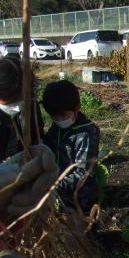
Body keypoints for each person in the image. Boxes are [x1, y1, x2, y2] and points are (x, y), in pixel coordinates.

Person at [42, 80, 100, 215]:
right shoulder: (56, 128)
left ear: (77, 107)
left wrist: (54, 187)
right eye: (54, 116)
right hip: (61, 195)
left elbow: (84, 173)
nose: (59, 120)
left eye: (63, 115)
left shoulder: (86, 133)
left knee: (80, 229)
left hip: (81, 198)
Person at [0, 56, 44, 167]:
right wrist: (6, 166)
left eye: (23, 99)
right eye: (12, 101)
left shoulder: (29, 100)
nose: (19, 105)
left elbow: (36, 135)